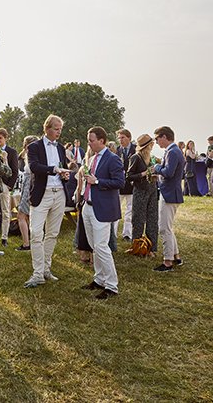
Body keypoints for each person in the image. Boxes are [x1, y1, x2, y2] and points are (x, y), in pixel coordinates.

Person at [24, 115, 71, 288]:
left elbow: (62, 165)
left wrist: (64, 175)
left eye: (60, 129)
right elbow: (34, 166)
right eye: (56, 128)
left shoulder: (60, 147)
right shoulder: (34, 146)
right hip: (41, 194)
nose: (59, 132)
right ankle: (37, 274)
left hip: (59, 193)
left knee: (52, 233)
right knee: (36, 233)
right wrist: (54, 169)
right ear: (47, 128)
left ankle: (45, 269)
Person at [79, 127, 125, 299]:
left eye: (91, 140)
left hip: (103, 209)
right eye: (88, 139)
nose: (89, 143)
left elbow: (120, 182)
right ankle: (99, 279)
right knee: (94, 246)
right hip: (88, 207)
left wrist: (97, 181)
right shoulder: (91, 159)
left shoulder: (113, 159)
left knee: (101, 247)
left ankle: (112, 286)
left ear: (102, 141)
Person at [152, 126, 185, 271]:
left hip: (169, 194)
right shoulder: (174, 151)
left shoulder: (172, 152)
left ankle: (167, 261)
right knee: (168, 227)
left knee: (164, 228)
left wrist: (157, 167)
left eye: (157, 138)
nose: (157, 142)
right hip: (171, 192)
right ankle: (176, 256)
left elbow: (169, 172)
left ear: (164, 137)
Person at [126, 134, 158, 257]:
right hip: (140, 191)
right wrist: (143, 173)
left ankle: (151, 248)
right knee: (138, 220)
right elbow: (129, 176)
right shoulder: (136, 157)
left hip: (152, 190)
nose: (153, 145)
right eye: (151, 143)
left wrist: (155, 176)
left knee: (152, 220)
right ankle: (137, 247)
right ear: (147, 145)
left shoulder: (152, 158)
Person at [0, 128, 19, 247]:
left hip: (4, 185)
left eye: (0, 138)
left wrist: (9, 186)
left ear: (5, 138)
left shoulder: (12, 152)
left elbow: (15, 171)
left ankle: (4, 237)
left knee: (5, 211)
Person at [16, 135, 39, 251]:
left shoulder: (30, 155)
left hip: (29, 184)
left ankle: (26, 243)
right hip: (30, 183)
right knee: (31, 216)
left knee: (21, 215)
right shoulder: (35, 154)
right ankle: (34, 242)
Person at [116, 129, 135, 241]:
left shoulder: (135, 150)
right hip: (119, 185)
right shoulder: (117, 151)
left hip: (131, 185)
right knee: (115, 210)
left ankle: (127, 234)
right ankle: (112, 234)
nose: (120, 140)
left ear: (129, 138)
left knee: (130, 211)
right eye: (119, 138)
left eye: (122, 137)